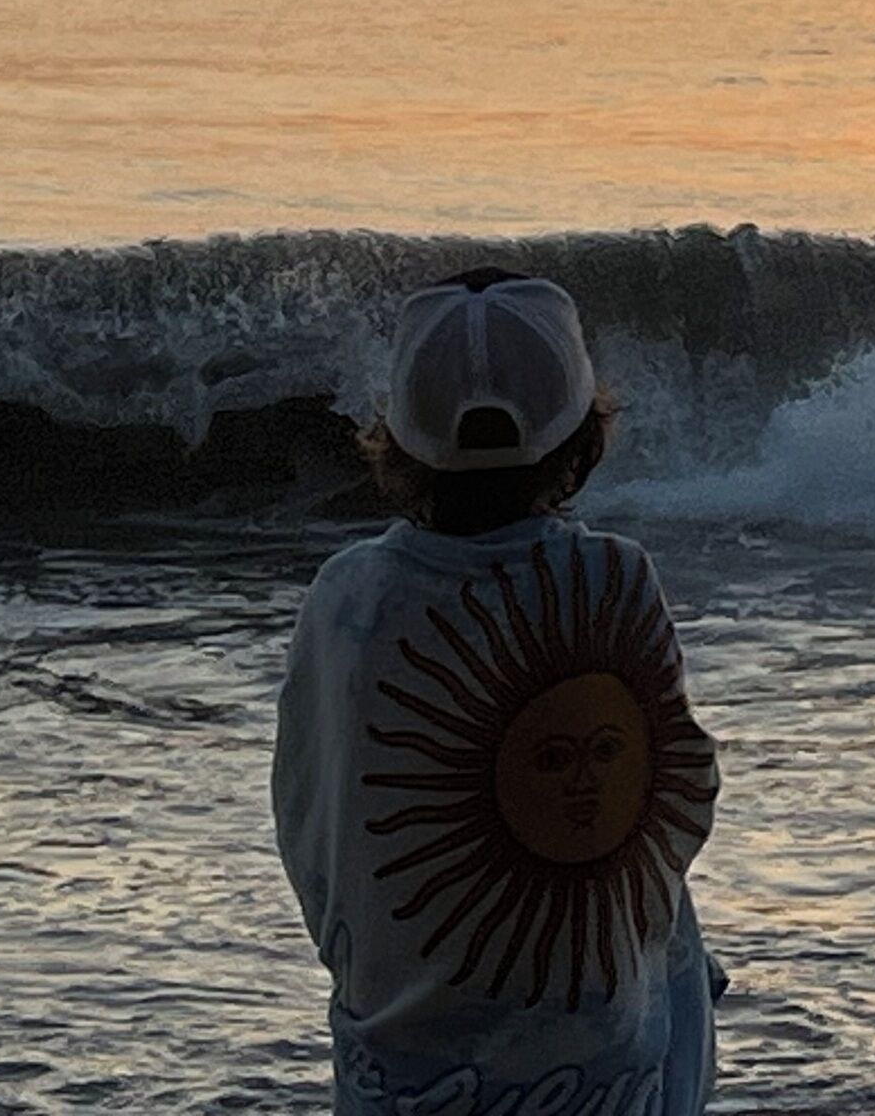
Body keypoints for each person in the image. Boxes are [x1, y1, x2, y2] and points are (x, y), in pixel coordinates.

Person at [276, 269, 723, 1116]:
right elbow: (678, 797)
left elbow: (309, 812)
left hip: (400, 1078)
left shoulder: (351, 597)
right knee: (670, 927)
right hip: (601, 1077)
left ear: (400, 437)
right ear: (579, 436)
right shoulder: (614, 577)